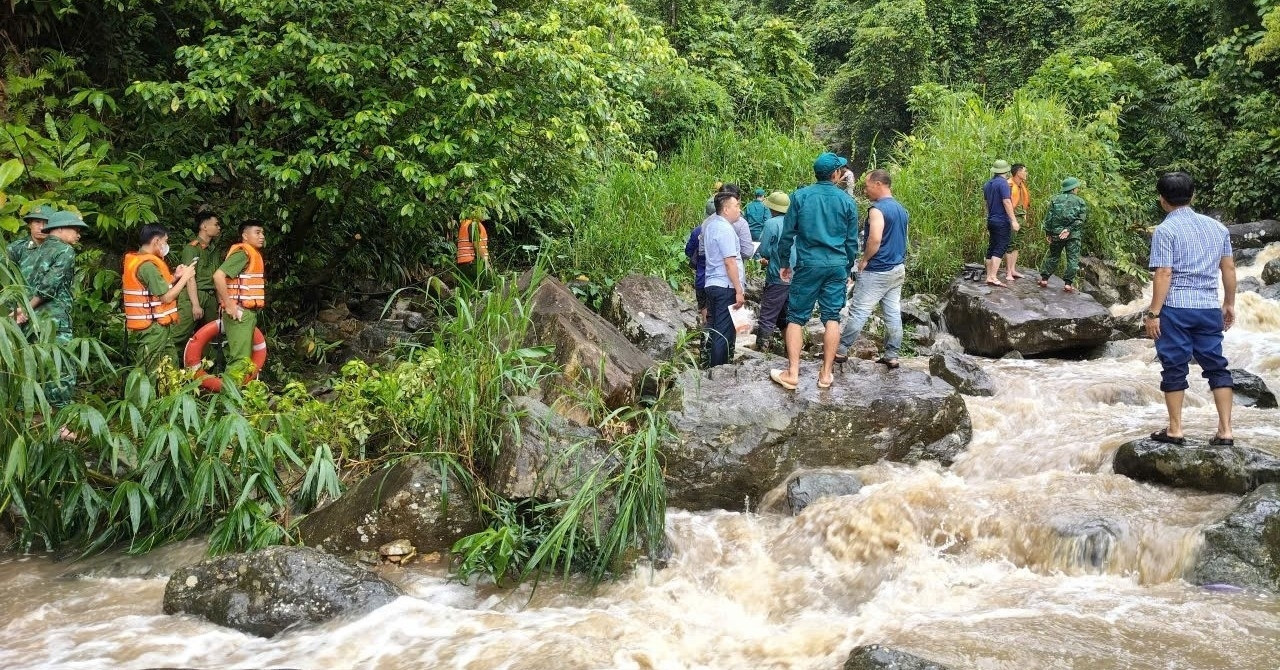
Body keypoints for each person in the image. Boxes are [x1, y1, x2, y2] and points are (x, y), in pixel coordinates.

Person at [1143, 172, 1236, 446]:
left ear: (1162, 199)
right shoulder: (1217, 228)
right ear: (1193, 196)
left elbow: (1164, 273)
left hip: (1176, 308)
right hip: (1208, 307)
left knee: (1174, 367)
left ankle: (1175, 429)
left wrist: (1153, 313)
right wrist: (1229, 303)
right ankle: (1226, 431)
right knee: (1217, 366)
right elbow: (1228, 268)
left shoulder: (1165, 230)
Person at [770, 152, 859, 390]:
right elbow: (852, 242)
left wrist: (784, 264)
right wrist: (849, 266)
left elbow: (787, 235)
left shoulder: (800, 196)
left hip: (808, 264)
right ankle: (826, 375)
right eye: (840, 170)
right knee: (832, 318)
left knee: (796, 318)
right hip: (836, 265)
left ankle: (792, 373)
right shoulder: (847, 201)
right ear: (835, 174)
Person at [15, 211, 87, 431]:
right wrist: (26, 309)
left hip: (31, 321)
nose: (78, 235)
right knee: (61, 368)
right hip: (54, 320)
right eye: (75, 230)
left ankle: (28, 420)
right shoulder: (65, 250)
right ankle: (60, 425)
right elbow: (48, 286)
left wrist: (22, 310)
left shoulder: (34, 250)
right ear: (61, 229)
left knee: (32, 367)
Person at [835, 169, 909, 369]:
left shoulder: (877, 209)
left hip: (877, 269)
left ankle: (840, 351)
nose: (865, 191)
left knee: (858, 311)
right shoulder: (901, 209)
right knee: (893, 313)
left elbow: (875, 239)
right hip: (897, 268)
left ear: (878, 184)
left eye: (867, 186)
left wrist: (864, 260)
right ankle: (892, 355)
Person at [123, 225, 195, 370]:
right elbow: (166, 298)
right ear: (156, 241)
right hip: (152, 329)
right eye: (165, 241)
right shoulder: (148, 266)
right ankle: (145, 393)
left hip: (158, 327)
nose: (166, 245)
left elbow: (156, 289)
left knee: (170, 366)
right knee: (150, 370)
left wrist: (176, 276)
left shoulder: (140, 260)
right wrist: (185, 278)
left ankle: (169, 393)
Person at [214, 222, 267, 370]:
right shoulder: (243, 253)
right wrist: (229, 305)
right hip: (240, 313)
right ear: (245, 235)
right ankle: (230, 393)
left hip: (246, 312)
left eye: (262, 233)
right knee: (239, 361)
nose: (262, 236)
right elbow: (218, 276)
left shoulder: (251, 254)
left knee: (243, 359)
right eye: (257, 232)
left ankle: (236, 392)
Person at [702, 191, 746, 367]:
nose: (739, 210)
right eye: (736, 206)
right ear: (726, 209)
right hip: (725, 286)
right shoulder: (726, 229)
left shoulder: (711, 225)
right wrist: (739, 290)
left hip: (712, 283)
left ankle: (713, 366)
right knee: (723, 332)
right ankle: (719, 371)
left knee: (715, 329)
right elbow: (730, 262)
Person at [173, 211, 224, 348]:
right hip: (194, 294)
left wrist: (220, 303)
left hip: (211, 296)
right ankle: (164, 364)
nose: (219, 228)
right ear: (204, 226)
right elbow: (189, 277)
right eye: (216, 224)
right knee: (180, 334)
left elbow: (217, 277)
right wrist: (195, 304)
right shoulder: (191, 248)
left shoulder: (214, 250)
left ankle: (206, 368)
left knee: (211, 337)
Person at [755, 190, 793, 352]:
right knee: (787, 317)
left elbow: (764, 250)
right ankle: (790, 351)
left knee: (768, 315)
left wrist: (765, 260)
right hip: (798, 277)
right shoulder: (797, 222)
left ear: (772, 208)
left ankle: (761, 352)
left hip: (778, 276)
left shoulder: (772, 223)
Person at [1038, 177, 1087, 292]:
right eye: (1077, 187)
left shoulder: (1055, 200)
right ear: (1074, 188)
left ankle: (1044, 279)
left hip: (1056, 234)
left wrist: (1048, 233)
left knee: (1053, 256)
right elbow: (1081, 220)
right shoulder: (1080, 201)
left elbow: (1048, 218)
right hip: (1073, 235)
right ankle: (1068, 284)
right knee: (1072, 259)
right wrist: (1069, 229)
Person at [983, 159, 1020, 287]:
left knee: (992, 247)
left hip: (991, 219)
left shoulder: (987, 184)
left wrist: (990, 216)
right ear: (1006, 171)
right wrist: (1014, 220)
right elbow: (1007, 202)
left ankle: (989, 276)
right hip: (1001, 221)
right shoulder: (1003, 184)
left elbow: (987, 204)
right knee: (1000, 247)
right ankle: (993, 276)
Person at [1006, 163, 1030, 282]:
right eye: (1024, 171)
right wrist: (1012, 220)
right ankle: (1008, 272)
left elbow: (1023, 203)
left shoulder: (1021, 185)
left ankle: (1013, 269)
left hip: (1021, 217)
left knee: (1017, 244)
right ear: (1018, 172)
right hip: (1013, 218)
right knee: (1010, 244)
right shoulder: (1009, 185)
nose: (1026, 173)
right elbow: (1007, 203)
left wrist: (1024, 215)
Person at [684, 222, 707, 324]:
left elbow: (688, 251)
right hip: (720, 281)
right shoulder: (725, 230)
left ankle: (705, 333)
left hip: (701, 277)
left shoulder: (698, 230)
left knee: (704, 307)